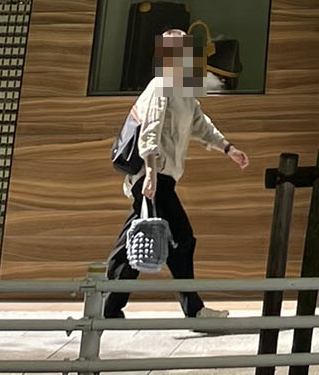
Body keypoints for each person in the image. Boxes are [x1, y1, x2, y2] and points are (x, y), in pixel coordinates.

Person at [104, 26, 251, 327]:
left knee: (136, 237)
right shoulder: (161, 85)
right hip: (154, 175)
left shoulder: (183, 90)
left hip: (163, 176)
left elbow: (201, 124)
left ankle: (107, 304)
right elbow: (150, 129)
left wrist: (228, 148)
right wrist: (150, 173)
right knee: (181, 239)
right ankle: (194, 311)